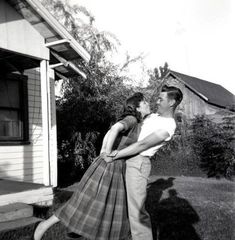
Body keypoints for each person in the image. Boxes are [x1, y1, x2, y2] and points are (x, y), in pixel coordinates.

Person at [33, 92, 150, 240]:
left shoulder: (137, 122)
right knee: (86, 203)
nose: (148, 104)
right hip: (109, 167)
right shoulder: (132, 119)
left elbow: (109, 133)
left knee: (105, 207)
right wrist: (106, 152)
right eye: (145, 103)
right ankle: (44, 226)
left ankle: (87, 231)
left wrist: (103, 150)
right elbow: (114, 129)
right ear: (137, 107)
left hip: (114, 167)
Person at [104, 85, 183, 240]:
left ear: (172, 102)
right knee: (122, 204)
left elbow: (142, 145)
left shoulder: (168, 126)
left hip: (137, 163)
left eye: (161, 99)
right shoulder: (154, 116)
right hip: (127, 159)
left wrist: (115, 155)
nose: (157, 101)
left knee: (137, 212)